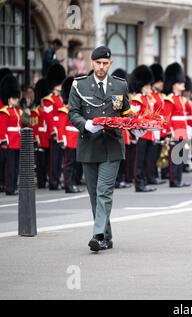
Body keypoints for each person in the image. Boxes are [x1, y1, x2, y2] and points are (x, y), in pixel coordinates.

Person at [68, 46, 138, 252]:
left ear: (110, 64)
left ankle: (97, 235)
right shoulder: (79, 85)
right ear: (92, 63)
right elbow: (72, 113)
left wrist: (137, 128)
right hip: (89, 145)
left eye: (105, 63)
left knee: (104, 192)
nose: (101, 67)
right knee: (94, 195)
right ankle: (107, 236)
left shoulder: (120, 85)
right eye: (98, 63)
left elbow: (126, 112)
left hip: (112, 146)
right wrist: (85, 125)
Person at [161, 62, 192, 188]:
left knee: (180, 156)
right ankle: (174, 180)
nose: (183, 84)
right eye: (180, 83)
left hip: (182, 129)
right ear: (174, 85)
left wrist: (188, 128)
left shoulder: (181, 99)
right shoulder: (169, 99)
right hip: (175, 130)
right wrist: (169, 131)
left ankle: (179, 178)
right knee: (174, 156)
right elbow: (166, 117)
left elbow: (185, 116)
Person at [129, 65, 159, 192]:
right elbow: (133, 117)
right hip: (141, 133)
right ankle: (139, 183)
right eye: (147, 86)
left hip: (149, 133)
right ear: (141, 86)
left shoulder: (148, 99)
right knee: (139, 160)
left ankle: (144, 181)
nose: (149, 88)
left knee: (147, 159)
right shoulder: (137, 99)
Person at [43, 63, 67, 191]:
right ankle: (53, 181)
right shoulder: (49, 100)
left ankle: (57, 180)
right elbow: (49, 117)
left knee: (59, 159)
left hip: (61, 130)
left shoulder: (61, 98)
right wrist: (53, 131)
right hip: (55, 132)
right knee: (54, 158)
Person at [0, 75, 22, 196]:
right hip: (9, 142)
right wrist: (3, 141)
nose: (16, 99)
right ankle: (9, 187)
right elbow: (2, 128)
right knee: (9, 166)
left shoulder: (17, 111)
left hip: (17, 142)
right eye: (14, 97)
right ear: (9, 98)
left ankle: (14, 186)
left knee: (15, 167)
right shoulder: (4, 111)